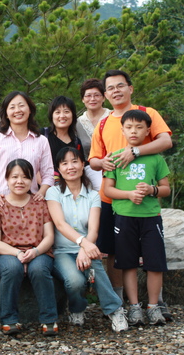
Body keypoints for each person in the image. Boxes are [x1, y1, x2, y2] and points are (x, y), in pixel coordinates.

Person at [88, 70, 173, 319]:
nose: (116, 91)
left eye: (120, 86)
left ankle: (155, 302)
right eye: (111, 88)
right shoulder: (103, 123)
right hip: (112, 195)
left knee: (151, 251)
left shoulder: (147, 113)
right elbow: (93, 159)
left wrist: (135, 151)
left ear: (130, 88)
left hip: (144, 199)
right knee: (116, 251)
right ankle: (120, 302)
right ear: (105, 94)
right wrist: (101, 163)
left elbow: (165, 141)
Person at [46, 147, 128, 332]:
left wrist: (84, 249)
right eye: (64, 163)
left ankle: (115, 310)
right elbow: (60, 224)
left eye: (74, 161)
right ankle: (76, 309)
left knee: (95, 267)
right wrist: (83, 244)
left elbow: (93, 229)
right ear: (59, 169)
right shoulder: (53, 193)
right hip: (62, 252)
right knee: (75, 281)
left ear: (83, 165)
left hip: (87, 248)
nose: (70, 167)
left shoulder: (93, 195)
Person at [103, 110, 171, 326]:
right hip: (124, 217)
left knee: (155, 263)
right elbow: (108, 190)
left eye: (139, 127)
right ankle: (134, 307)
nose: (134, 131)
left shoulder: (156, 158)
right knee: (128, 264)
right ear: (122, 130)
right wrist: (129, 195)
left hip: (151, 217)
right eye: (129, 127)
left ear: (148, 131)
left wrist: (152, 189)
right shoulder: (114, 158)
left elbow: (166, 189)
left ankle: (153, 306)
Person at [0, 159, 58, 336]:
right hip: (7, 253)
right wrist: (17, 253)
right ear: (7, 179)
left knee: (39, 269)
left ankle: (49, 319)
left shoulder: (40, 204)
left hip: (39, 251)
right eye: (15, 177)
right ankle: (8, 319)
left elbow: (49, 236)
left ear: (32, 180)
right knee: (12, 268)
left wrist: (35, 252)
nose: (20, 181)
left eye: (25, 177)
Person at [0, 91, 54, 206]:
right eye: (12, 107)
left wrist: (41, 192)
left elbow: (48, 175)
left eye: (21, 105)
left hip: (31, 204)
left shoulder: (41, 141)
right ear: (6, 114)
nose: (17, 110)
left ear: (30, 110)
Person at [75, 78, 111, 191]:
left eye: (96, 95)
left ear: (104, 97)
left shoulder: (113, 117)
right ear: (82, 99)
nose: (92, 99)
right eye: (88, 95)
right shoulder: (77, 123)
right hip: (90, 169)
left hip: (115, 165)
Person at [42, 96, 86, 177]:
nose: (62, 116)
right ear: (51, 116)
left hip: (70, 185)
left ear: (73, 115)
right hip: (44, 185)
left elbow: (81, 167)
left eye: (66, 111)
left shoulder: (76, 142)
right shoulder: (43, 135)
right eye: (57, 112)